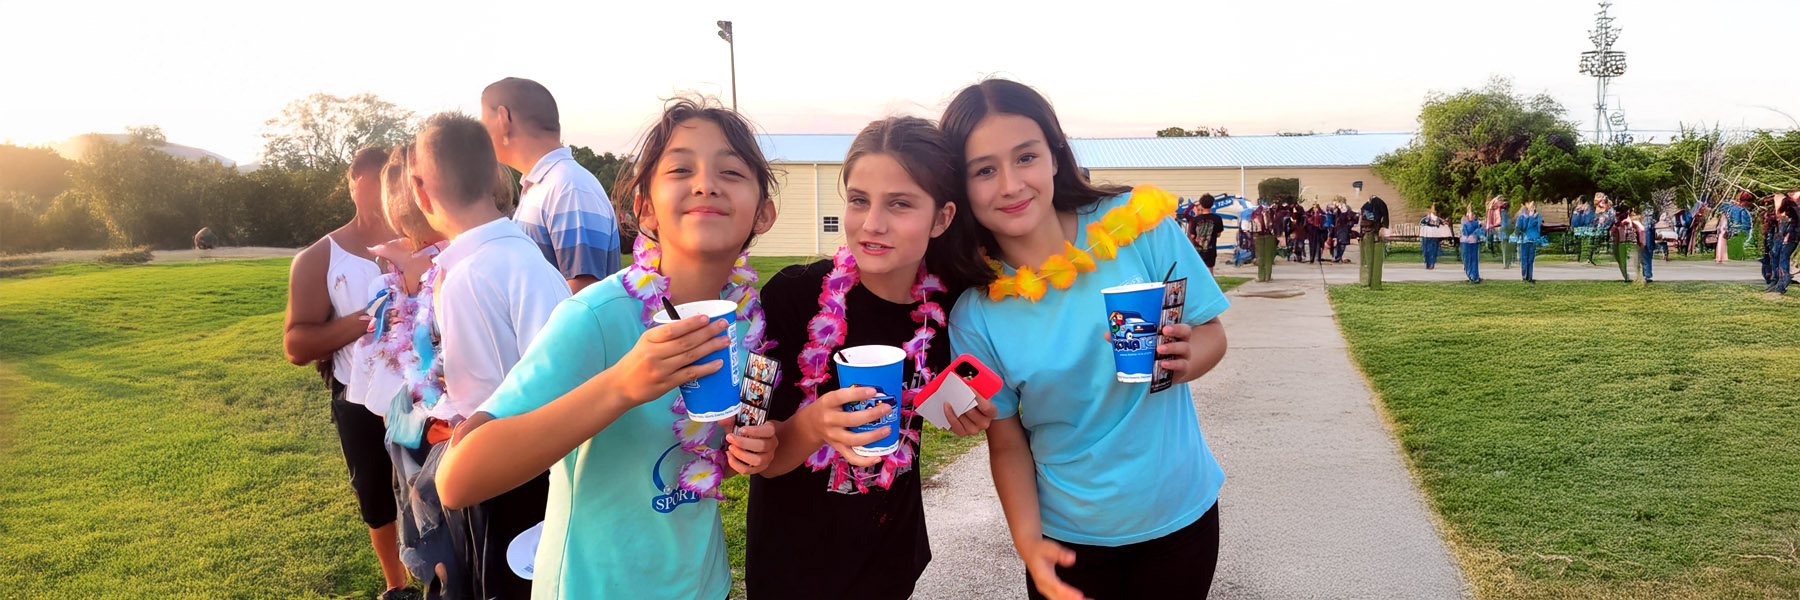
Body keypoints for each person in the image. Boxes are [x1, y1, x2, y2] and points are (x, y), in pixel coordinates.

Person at [434, 98, 779, 599]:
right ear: (644, 208)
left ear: (763, 213)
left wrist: (750, 448)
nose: (706, 184)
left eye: (731, 171)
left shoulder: (747, 320)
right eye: (681, 169)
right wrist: (621, 386)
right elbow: (458, 480)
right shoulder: (595, 317)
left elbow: (709, 450)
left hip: (704, 583)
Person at [939, 78, 1230, 600]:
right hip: (1069, 539)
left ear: (1055, 156)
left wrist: (1189, 358)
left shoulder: (1137, 226)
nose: (1010, 185)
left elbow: (1211, 333)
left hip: (1180, 515)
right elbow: (1007, 442)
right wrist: (1029, 545)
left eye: (1025, 157)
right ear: (960, 188)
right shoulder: (974, 314)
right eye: (984, 170)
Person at [747, 116, 996, 600]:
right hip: (792, 570)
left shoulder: (951, 309)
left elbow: (941, 403)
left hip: (892, 559)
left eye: (899, 204)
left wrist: (966, 414)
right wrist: (814, 425)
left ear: (942, 218)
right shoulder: (789, 297)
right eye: (859, 200)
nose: (872, 224)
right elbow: (760, 458)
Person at [401, 112, 570, 598]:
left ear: (419, 189)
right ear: (494, 174)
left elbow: (548, 385)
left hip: (514, 475)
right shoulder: (511, 259)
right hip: (518, 466)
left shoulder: (478, 273)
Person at [280, 146, 416, 600]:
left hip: (424, 394)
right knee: (376, 495)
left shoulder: (426, 240)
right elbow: (296, 345)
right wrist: (368, 319)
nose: (384, 194)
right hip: (358, 399)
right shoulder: (320, 258)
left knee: (431, 488)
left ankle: (442, 577)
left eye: (394, 181)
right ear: (353, 184)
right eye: (374, 182)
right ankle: (396, 586)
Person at [480, 77, 621, 294]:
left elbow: (583, 295)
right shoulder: (543, 186)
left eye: (482, 122)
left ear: (502, 119)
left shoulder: (569, 189)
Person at [1769, 192, 1799, 294]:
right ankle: (1779, 283)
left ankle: (1783, 283)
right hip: (1789, 239)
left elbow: (1791, 229)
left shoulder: (1792, 216)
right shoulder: (1793, 214)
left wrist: (1786, 237)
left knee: (1783, 259)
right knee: (1780, 258)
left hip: (1790, 240)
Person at [1187, 194, 1225, 270]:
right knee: (1209, 270)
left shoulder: (1196, 219)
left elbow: (1192, 236)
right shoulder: (1217, 218)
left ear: (1201, 204)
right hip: (1211, 249)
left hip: (1198, 250)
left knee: (1198, 270)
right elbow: (1218, 234)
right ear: (1212, 204)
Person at [1359, 195, 1389, 289]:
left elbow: (1365, 222)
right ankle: (1372, 281)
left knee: (1368, 260)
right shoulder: (1378, 206)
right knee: (1372, 261)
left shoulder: (1368, 208)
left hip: (1369, 235)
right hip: (1373, 235)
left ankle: (1368, 280)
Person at [1513, 200, 1546, 283]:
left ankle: (1528, 277)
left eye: (1533, 206)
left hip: (1530, 240)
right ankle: (1526, 277)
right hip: (1526, 240)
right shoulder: (1523, 216)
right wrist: (1531, 218)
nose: (1532, 207)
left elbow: (1537, 228)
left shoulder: (1536, 216)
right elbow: (1523, 227)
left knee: (1529, 259)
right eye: (1531, 205)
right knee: (1526, 259)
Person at [1459, 207, 1483, 283]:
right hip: (1467, 242)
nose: (1472, 215)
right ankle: (1471, 275)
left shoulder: (1475, 223)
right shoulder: (1465, 222)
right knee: (1468, 259)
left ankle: (1474, 276)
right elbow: (1466, 231)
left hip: (1472, 242)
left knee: (1472, 260)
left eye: (1472, 214)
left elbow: (1480, 229)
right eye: (1470, 214)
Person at [1420, 206, 1447, 270]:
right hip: (1427, 236)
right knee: (1427, 250)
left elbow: (1443, 226)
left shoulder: (1438, 220)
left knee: (1433, 250)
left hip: (1434, 237)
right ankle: (1428, 263)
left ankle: (1432, 263)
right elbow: (1422, 226)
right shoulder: (1425, 219)